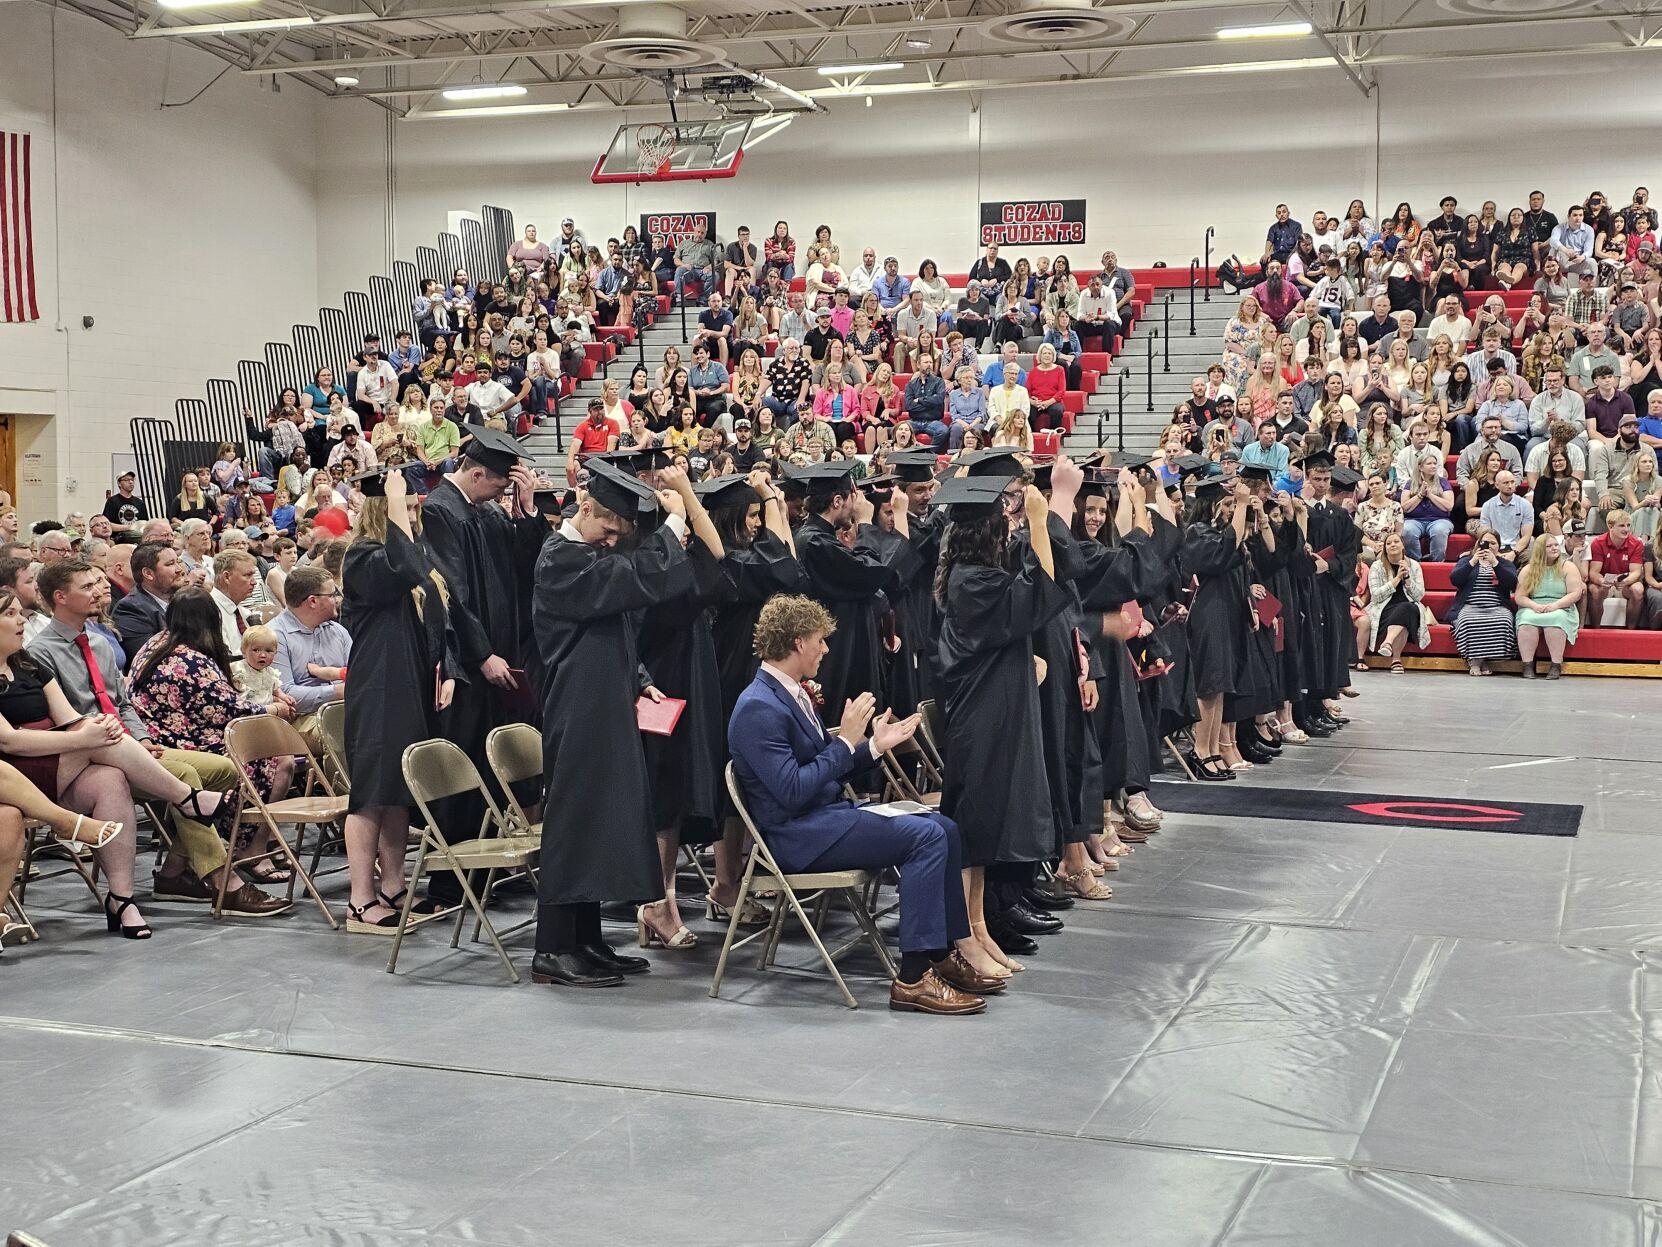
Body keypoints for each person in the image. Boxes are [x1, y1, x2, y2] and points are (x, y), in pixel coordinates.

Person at [729, 593, 992, 1014]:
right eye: (820, 640)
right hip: (797, 838)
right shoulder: (757, 707)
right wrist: (846, 740)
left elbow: (820, 772)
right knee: (925, 838)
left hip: (823, 819)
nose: (826, 649)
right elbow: (793, 791)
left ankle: (941, 953)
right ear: (798, 642)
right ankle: (912, 978)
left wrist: (871, 747)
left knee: (945, 826)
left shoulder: (788, 694)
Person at [27, 559, 288, 915]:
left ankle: (175, 870)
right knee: (187, 777)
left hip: (130, 744)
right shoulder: (41, 652)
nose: (97, 592)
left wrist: (142, 738)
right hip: (84, 754)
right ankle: (223, 882)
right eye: (86, 587)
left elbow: (123, 703)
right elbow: (66, 720)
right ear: (60, 597)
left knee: (227, 769)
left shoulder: (101, 644)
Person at [530, 461, 698, 989]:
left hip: (604, 701)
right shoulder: (558, 559)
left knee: (600, 822)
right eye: (608, 529)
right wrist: (672, 527)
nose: (611, 541)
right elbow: (628, 581)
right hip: (577, 708)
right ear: (584, 507)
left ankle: (586, 941)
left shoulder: (586, 556)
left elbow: (614, 623)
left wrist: (638, 678)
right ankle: (553, 948)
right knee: (574, 821)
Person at [416, 426, 545, 913]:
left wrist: (528, 511)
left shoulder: (485, 510)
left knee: (497, 768)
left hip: (502, 660)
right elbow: (451, 594)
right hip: (471, 667)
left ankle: (488, 867)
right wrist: (479, 653)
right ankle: (451, 884)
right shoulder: (440, 511)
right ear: (474, 474)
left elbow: (523, 566)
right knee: (465, 765)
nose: (500, 495)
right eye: (497, 485)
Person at [331, 466, 456, 934]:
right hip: (379, 684)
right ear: (384, 510)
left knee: (399, 793)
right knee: (370, 794)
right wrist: (396, 498)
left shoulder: (412, 552)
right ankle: (361, 900)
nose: (415, 511)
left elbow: (439, 617)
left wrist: (448, 669)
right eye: (405, 506)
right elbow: (402, 567)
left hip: (411, 682)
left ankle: (394, 887)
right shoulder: (364, 556)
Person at [789, 462, 920, 721]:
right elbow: (869, 573)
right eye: (851, 498)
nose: (854, 504)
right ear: (837, 501)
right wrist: (864, 522)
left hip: (848, 647)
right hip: (840, 655)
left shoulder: (813, 537)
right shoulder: (815, 542)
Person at [1514, 532, 1583, 677]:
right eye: (1549, 546)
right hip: (1535, 605)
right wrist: (1534, 606)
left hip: (1562, 606)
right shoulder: (1528, 569)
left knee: (1556, 618)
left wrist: (1556, 605)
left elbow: (1575, 593)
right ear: (1540, 550)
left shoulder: (1568, 566)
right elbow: (1520, 597)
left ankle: (1556, 665)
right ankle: (1527, 665)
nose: (1554, 548)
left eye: (1556, 545)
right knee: (1526, 620)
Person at [1364, 532, 1431, 672]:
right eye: (1388, 543)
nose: (1393, 545)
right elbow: (1376, 596)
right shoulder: (1377, 566)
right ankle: (1396, 660)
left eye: (1396, 542)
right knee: (1405, 613)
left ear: (1402, 546)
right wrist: (1396, 579)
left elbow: (1418, 596)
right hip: (1384, 609)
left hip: (1409, 607)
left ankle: (1387, 643)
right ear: (1385, 548)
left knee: (1407, 608)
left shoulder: (1414, 565)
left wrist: (1407, 578)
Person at [1587, 510, 1647, 627]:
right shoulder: (1598, 543)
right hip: (1605, 582)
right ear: (1610, 526)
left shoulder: (1636, 543)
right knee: (1595, 590)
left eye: (1628, 525)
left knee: (1638, 590)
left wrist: (1625, 581)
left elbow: (1636, 572)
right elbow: (1594, 572)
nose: (1626, 529)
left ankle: (1631, 631)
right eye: (1621, 525)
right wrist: (1602, 581)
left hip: (1625, 582)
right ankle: (1596, 630)